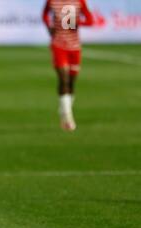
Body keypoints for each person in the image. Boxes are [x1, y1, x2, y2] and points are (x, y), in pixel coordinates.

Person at [42, 0, 94, 131]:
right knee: (63, 79)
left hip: (74, 47)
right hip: (59, 45)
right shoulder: (52, 1)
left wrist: (77, 22)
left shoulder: (79, 1)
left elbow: (90, 20)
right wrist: (49, 26)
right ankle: (68, 117)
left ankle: (64, 108)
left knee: (71, 82)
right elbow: (44, 14)